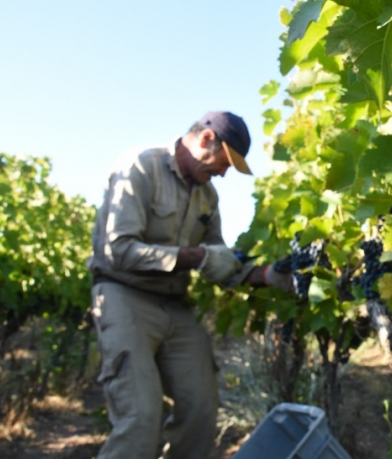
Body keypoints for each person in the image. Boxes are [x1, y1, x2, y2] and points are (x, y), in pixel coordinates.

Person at [87, 111, 292, 459]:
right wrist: (196, 257)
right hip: (123, 294)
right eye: (226, 163)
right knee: (140, 417)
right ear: (206, 139)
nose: (225, 173)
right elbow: (118, 250)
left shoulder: (207, 198)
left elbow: (220, 262)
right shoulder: (140, 166)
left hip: (175, 304)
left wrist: (267, 275)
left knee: (201, 411)